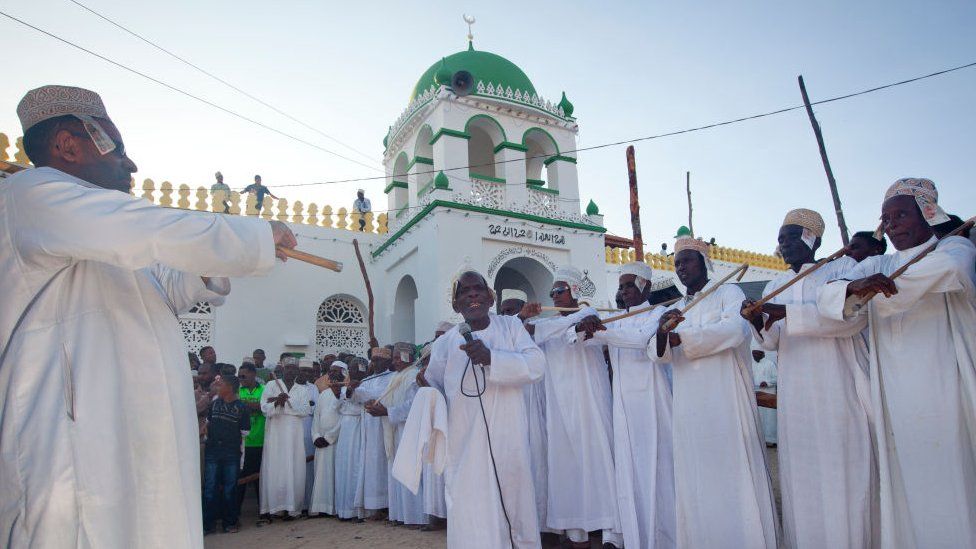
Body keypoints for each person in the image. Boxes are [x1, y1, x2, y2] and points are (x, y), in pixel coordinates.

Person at [0, 84, 299, 548]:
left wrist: (219, 257)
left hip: (139, 433)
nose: (131, 163)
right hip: (74, 438)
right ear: (66, 145)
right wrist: (251, 236)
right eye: (116, 148)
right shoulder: (32, 194)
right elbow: (150, 228)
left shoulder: (114, 234)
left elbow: (169, 283)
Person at [817, 178, 976, 547]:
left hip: (945, 386)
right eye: (886, 219)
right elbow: (830, 293)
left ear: (928, 213)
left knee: (952, 479)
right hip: (893, 394)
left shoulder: (953, 247)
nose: (892, 225)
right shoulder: (880, 261)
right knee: (905, 482)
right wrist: (853, 288)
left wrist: (875, 290)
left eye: (901, 215)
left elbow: (949, 272)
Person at [741, 208, 876, 548]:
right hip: (797, 395)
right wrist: (757, 321)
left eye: (788, 237)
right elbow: (772, 342)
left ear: (810, 238)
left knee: (842, 472)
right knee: (803, 478)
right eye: (779, 239)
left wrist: (784, 312)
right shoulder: (776, 284)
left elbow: (850, 320)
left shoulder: (843, 269)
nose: (781, 245)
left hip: (837, 386)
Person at [651, 235, 778, 548]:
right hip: (688, 405)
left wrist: (684, 338)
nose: (681, 268)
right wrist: (662, 333)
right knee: (696, 474)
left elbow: (736, 331)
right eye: (677, 263)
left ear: (704, 263)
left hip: (725, 399)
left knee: (731, 474)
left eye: (687, 261)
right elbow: (659, 355)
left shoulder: (728, 292)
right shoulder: (677, 307)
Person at [424, 270, 546, 548]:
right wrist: (425, 392)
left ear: (491, 297)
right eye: (464, 292)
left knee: (516, 504)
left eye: (478, 289)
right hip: (465, 445)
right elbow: (433, 384)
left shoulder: (511, 327)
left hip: (509, 436)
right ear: (456, 305)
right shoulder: (444, 343)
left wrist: (493, 358)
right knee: (471, 507)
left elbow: (537, 365)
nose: (473, 294)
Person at [523, 266, 621, 548]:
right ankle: (577, 534)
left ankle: (611, 534)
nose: (555, 295)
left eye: (560, 290)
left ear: (575, 291)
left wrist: (569, 327)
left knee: (599, 458)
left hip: (590, 401)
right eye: (552, 292)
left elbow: (579, 330)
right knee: (567, 465)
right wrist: (525, 320)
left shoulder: (592, 314)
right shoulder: (548, 325)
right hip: (560, 407)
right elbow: (532, 334)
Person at [583, 261, 674, 548]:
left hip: (651, 398)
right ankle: (628, 534)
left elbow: (640, 340)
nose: (623, 291)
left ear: (644, 286)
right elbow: (587, 341)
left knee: (656, 464)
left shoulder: (658, 313)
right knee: (628, 465)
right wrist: (586, 327)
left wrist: (600, 332)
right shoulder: (617, 318)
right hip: (623, 402)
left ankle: (663, 535)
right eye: (621, 286)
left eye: (628, 285)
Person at [367, 342, 426, 527]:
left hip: (410, 431)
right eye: (393, 358)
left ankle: (416, 517)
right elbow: (388, 398)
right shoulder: (398, 376)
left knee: (410, 471)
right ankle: (401, 515)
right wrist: (376, 405)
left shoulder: (413, 376)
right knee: (398, 472)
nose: (395, 361)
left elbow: (414, 405)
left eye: (397, 357)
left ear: (408, 356)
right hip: (395, 431)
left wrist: (387, 412)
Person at [259, 359, 313, 520]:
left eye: (293, 369)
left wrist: (287, 402)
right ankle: (274, 508)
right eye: (287, 368)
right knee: (275, 466)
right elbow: (264, 407)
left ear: (297, 372)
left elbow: (305, 410)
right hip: (276, 431)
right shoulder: (271, 386)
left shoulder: (302, 390)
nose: (290, 371)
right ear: (282, 369)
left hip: (294, 433)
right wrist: (277, 402)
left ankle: (292, 509)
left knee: (293, 466)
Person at [202, 375, 250, 534]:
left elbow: (245, 432)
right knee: (210, 489)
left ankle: (230, 522)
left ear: (229, 388)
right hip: (212, 452)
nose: (216, 387)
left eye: (220, 385)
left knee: (230, 488)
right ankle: (208, 524)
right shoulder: (214, 403)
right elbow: (208, 424)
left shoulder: (242, 407)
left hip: (231, 453)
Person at [351, 346, 394, 519]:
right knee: (371, 465)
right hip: (369, 426)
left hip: (384, 424)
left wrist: (360, 391)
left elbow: (382, 395)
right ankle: (374, 506)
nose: (375, 363)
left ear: (387, 361)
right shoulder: (367, 379)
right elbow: (356, 399)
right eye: (373, 360)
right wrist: (353, 389)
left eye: (379, 360)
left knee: (384, 463)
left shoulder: (392, 377)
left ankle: (388, 506)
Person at [309, 365, 343, 517]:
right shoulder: (323, 394)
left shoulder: (346, 393)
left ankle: (335, 508)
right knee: (322, 475)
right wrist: (316, 436)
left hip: (337, 442)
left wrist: (329, 438)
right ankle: (322, 507)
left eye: (336, 371)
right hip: (321, 442)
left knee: (336, 475)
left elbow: (344, 418)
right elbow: (316, 417)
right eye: (331, 371)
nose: (332, 374)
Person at [335, 364, 367, 521]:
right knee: (344, 466)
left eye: (358, 369)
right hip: (346, 429)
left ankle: (356, 511)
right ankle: (343, 509)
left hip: (359, 427)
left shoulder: (367, 385)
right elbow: (339, 405)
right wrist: (345, 390)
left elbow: (360, 401)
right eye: (353, 369)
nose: (355, 372)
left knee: (356, 466)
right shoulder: (342, 388)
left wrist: (354, 390)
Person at [236, 364, 266, 516]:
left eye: (244, 376)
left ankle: (263, 512)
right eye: (239, 376)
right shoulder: (237, 390)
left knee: (259, 480)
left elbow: (264, 407)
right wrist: (251, 406)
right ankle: (236, 514)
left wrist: (246, 405)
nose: (241, 379)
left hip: (260, 441)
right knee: (240, 479)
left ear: (253, 375)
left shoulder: (264, 390)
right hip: (242, 443)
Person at [298, 358, 320, 515]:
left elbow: (316, 408)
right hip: (293, 428)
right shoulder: (291, 387)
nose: (306, 374)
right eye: (303, 371)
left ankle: (308, 505)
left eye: (309, 371)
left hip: (309, 428)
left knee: (309, 468)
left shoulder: (313, 388)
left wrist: (309, 407)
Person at [749, 348, 778, 446]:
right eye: (753, 354)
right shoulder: (751, 364)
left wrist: (767, 383)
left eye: (757, 353)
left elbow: (777, 378)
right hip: (756, 394)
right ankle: (761, 440)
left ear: (763, 354)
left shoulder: (770, 364)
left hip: (768, 394)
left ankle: (772, 440)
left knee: (769, 418)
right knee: (759, 418)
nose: (754, 356)